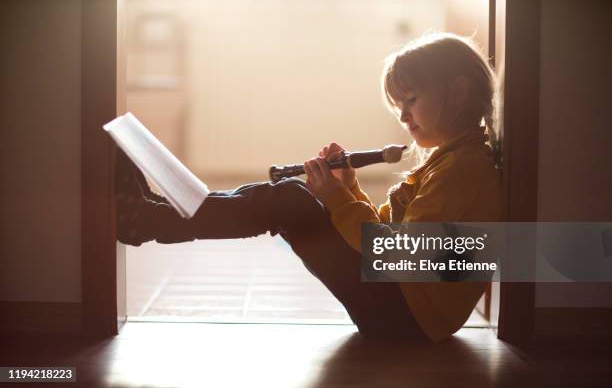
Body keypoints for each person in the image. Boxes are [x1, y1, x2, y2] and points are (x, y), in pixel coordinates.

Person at [116, 32, 502, 343]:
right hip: (406, 311)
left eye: (411, 100)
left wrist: (336, 200)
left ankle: (151, 219)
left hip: (405, 318)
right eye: (399, 104)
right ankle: (155, 215)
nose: (403, 115)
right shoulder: (454, 161)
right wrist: (348, 191)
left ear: (458, 92)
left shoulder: (461, 170)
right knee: (289, 202)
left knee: (288, 201)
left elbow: (395, 253)